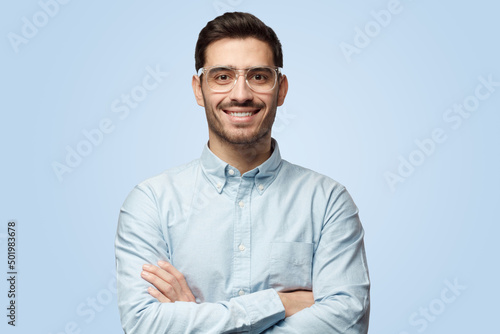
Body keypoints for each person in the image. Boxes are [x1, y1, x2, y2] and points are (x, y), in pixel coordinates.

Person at [115, 12, 370, 333]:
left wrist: (193, 318)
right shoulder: (151, 202)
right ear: (199, 89)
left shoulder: (328, 201)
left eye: (259, 77)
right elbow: (144, 325)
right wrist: (280, 303)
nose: (240, 94)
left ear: (281, 89)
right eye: (222, 76)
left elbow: (346, 324)